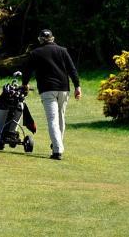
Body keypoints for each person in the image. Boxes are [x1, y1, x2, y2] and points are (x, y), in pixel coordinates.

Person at [21, 29, 81, 160]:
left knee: (53, 120)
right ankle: (57, 144)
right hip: (64, 88)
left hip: (47, 89)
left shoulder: (35, 53)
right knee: (61, 118)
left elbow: (27, 71)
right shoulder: (63, 50)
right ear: (52, 38)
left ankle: (57, 150)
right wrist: (77, 86)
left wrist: (25, 84)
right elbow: (72, 69)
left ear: (40, 39)